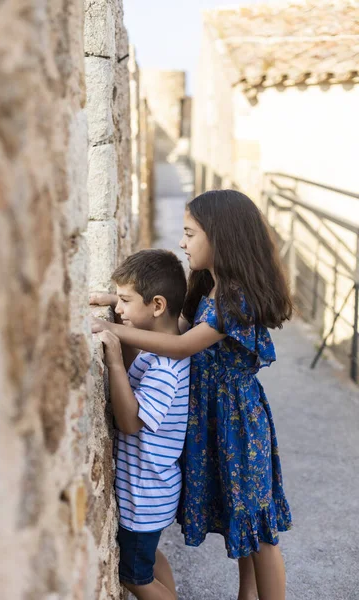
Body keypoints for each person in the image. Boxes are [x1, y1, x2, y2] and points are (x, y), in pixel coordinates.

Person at [91, 190, 293, 600]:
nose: (182, 243)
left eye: (190, 234)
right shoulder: (208, 285)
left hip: (236, 421)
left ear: (220, 238)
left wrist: (109, 330)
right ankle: (246, 594)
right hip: (212, 418)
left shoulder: (236, 299)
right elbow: (172, 323)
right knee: (241, 518)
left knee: (259, 527)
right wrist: (121, 301)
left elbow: (182, 346)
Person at [92, 249, 190, 600]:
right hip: (154, 488)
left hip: (144, 493)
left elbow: (131, 423)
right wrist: (114, 300)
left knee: (135, 576)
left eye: (124, 300)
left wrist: (116, 362)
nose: (117, 310)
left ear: (157, 305)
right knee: (148, 557)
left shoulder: (164, 368)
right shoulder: (171, 335)